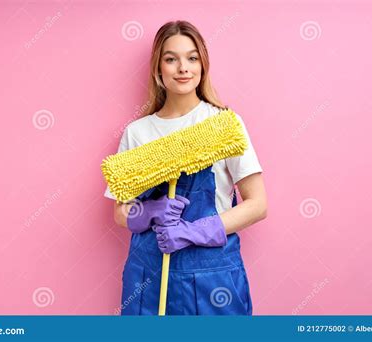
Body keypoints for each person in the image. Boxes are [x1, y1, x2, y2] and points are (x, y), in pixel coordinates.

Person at [104, 20, 267, 315]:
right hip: (148, 277)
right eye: (171, 59)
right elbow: (120, 212)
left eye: (192, 58)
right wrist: (150, 212)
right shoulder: (138, 132)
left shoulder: (223, 125)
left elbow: (258, 205)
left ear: (203, 65)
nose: (183, 68)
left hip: (212, 276)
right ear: (158, 68)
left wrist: (193, 231)